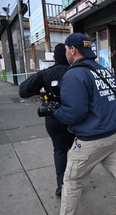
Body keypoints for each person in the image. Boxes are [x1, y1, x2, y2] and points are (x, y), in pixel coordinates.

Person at [38, 33, 116, 215]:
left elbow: (74, 113)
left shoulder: (74, 74)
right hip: (113, 135)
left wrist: (53, 112)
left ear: (73, 50)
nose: (65, 53)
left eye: (65, 50)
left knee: (71, 181)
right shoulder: (103, 70)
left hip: (91, 140)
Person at [19, 43, 75, 196]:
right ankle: (72, 180)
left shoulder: (46, 74)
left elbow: (23, 90)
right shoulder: (76, 72)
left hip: (53, 116)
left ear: (55, 57)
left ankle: (61, 184)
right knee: (72, 149)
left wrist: (41, 93)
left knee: (59, 150)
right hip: (73, 116)